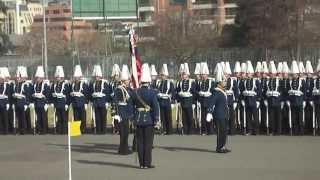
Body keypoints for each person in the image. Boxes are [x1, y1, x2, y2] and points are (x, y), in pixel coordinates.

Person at [131, 63, 160, 169]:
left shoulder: (136, 92)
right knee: (148, 142)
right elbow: (155, 107)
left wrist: (132, 118)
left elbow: (131, 105)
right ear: (149, 81)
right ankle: (147, 163)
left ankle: (141, 164)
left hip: (138, 119)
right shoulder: (152, 92)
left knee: (140, 142)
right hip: (148, 120)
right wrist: (156, 119)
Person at [207, 63, 231, 153]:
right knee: (220, 131)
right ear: (219, 83)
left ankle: (223, 146)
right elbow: (211, 102)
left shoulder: (222, 91)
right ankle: (219, 147)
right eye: (223, 81)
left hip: (224, 114)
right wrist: (209, 112)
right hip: (219, 115)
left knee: (225, 131)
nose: (225, 83)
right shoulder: (216, 92)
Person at [113, 65, 134, 155]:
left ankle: (123, 148)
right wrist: (116, 114)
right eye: (127, 80)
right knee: (123, 133)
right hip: (121, 113)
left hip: (126, 113)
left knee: (126, 132)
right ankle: (123, 149)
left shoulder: (128, 89)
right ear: (123, 81)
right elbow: (115, 102)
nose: (129, 81)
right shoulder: (119, 89)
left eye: (128, 80)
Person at [90, 65, 112, 134]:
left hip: (103, 102)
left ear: (100, 76)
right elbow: (91, 92)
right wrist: (91, 101)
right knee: (97, 117)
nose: (96, 77)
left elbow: (107, 92)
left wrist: (107, 102)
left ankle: (104, 130)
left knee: (103, 117)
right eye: (96, 76)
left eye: (98, 76)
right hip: (96, 102)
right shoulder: (93, 83)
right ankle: (99, 130)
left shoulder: (104, 83)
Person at [176, 63, 196, 135]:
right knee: (183, 117)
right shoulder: (180, 82)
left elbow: (194, 93)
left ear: (187, 75)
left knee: (190, 117)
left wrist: (194, 103)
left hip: (189, 101)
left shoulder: (192, 82)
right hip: (182, 101)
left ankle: (191, 130)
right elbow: (178, 92)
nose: (183, 76)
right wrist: (178, 101)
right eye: (182, 74)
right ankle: (185, 130)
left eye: (184, 74)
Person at [156, 64, 175, 135]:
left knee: (168, 117)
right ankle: (163, 130)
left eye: (163, 75)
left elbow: (172, 92)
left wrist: (171, 100)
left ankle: (169, 130)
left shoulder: (170, 83)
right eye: (161, 75)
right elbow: (158, 91)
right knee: (162, 117)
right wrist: (159, 95)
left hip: (167, 101)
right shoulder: (159, 83)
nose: (162, 76)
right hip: (161, 102)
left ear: (166, 76)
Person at [31, 66, 50, 134]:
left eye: (39, 78)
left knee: (43, 117)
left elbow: (47, 95)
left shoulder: (45, 85)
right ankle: (39, 129)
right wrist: (32, 101)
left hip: (43, 104)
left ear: (42, 78)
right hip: (37, 103)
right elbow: (32, 93)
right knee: (38, 117)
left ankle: (44, 130)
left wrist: (47, 103)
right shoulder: (34, 85)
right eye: (37, 78)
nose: (38, 79)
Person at [70, 65, 89, 133]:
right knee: (75, 116)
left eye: (77, 77)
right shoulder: (72, 84)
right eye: (75, 77)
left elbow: (86, 93)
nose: (76, 78)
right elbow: (70, 93)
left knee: (82, 117)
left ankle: (83, 129)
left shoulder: (84, 84)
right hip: (75, 103)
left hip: (81, 103)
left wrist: (86, 103)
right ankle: (76, 130)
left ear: (80, 77)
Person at [51, 66, 70, 134]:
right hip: (57, 103)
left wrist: (67, 104)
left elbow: (68, 95)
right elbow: (52, 93)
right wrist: (53, 102)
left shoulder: (65, 85)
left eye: (58, 77)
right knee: (58, 118)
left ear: (61, 77)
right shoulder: (54, 85)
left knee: (64, 118)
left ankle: (64, 130)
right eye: (57, 77)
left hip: (63, 103)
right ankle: (59, 130)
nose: (57, 78)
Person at [12, 66, 31, 134]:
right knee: (18, 117)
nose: (18, 79)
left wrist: (27, 104)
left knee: (23, 117)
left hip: (23, 103)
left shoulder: (25, 85)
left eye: (19, 77)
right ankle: (19, 129)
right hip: (17, 103)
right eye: (17, 78)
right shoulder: (16, 85)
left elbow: (27, 95)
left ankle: (24, 130)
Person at [197, 62, 215, 135]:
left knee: (209, 116)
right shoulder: (200, 82)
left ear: (207, 74)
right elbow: (198, 91)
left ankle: (210, 131)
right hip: (202, 101)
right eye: (202, 74)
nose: (203, 76)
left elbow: (213, 92)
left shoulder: (211, 82)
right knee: (203, 117)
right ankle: (204, 130)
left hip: (209, 101)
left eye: (204, 74)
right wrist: (199, 96)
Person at [0, 68, 11, 135]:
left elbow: (8, 95)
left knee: (5, 117)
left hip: (4, 103)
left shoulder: (7, 85)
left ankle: (6, 131)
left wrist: (8, 103)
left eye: (1, 79)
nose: (0, 80)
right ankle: (1, 130)